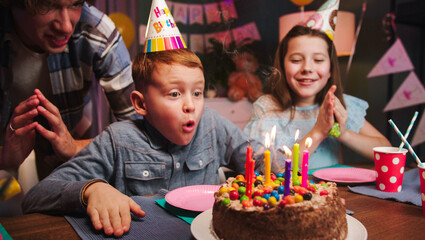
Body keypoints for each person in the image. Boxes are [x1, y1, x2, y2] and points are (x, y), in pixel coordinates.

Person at [22, 48, 268, 237]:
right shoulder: (117, 140)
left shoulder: (212, 125)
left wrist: (279, 167)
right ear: (141, 104)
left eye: (197, 93)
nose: (190, 106)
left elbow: (257, 158)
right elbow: (36, 196)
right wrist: (92, 190)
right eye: (175, 93)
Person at [0, 0, 137, 179]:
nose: (65, 26)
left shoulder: (97, 30)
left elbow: (141, 134)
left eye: (75, 4)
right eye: (47, 5)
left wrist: (75, 147)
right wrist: (4, 158)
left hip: (69, 156)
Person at [244, 25, 391, 170]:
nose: (307, 68)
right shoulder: (268, 108)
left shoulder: (339, 105)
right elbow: (262, 168)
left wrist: (342, 133)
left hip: (330, 193)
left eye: (318, 60)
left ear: (330, 70)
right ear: (282, 67)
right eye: (296, 60)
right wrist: (318, 132)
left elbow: (388, 151)